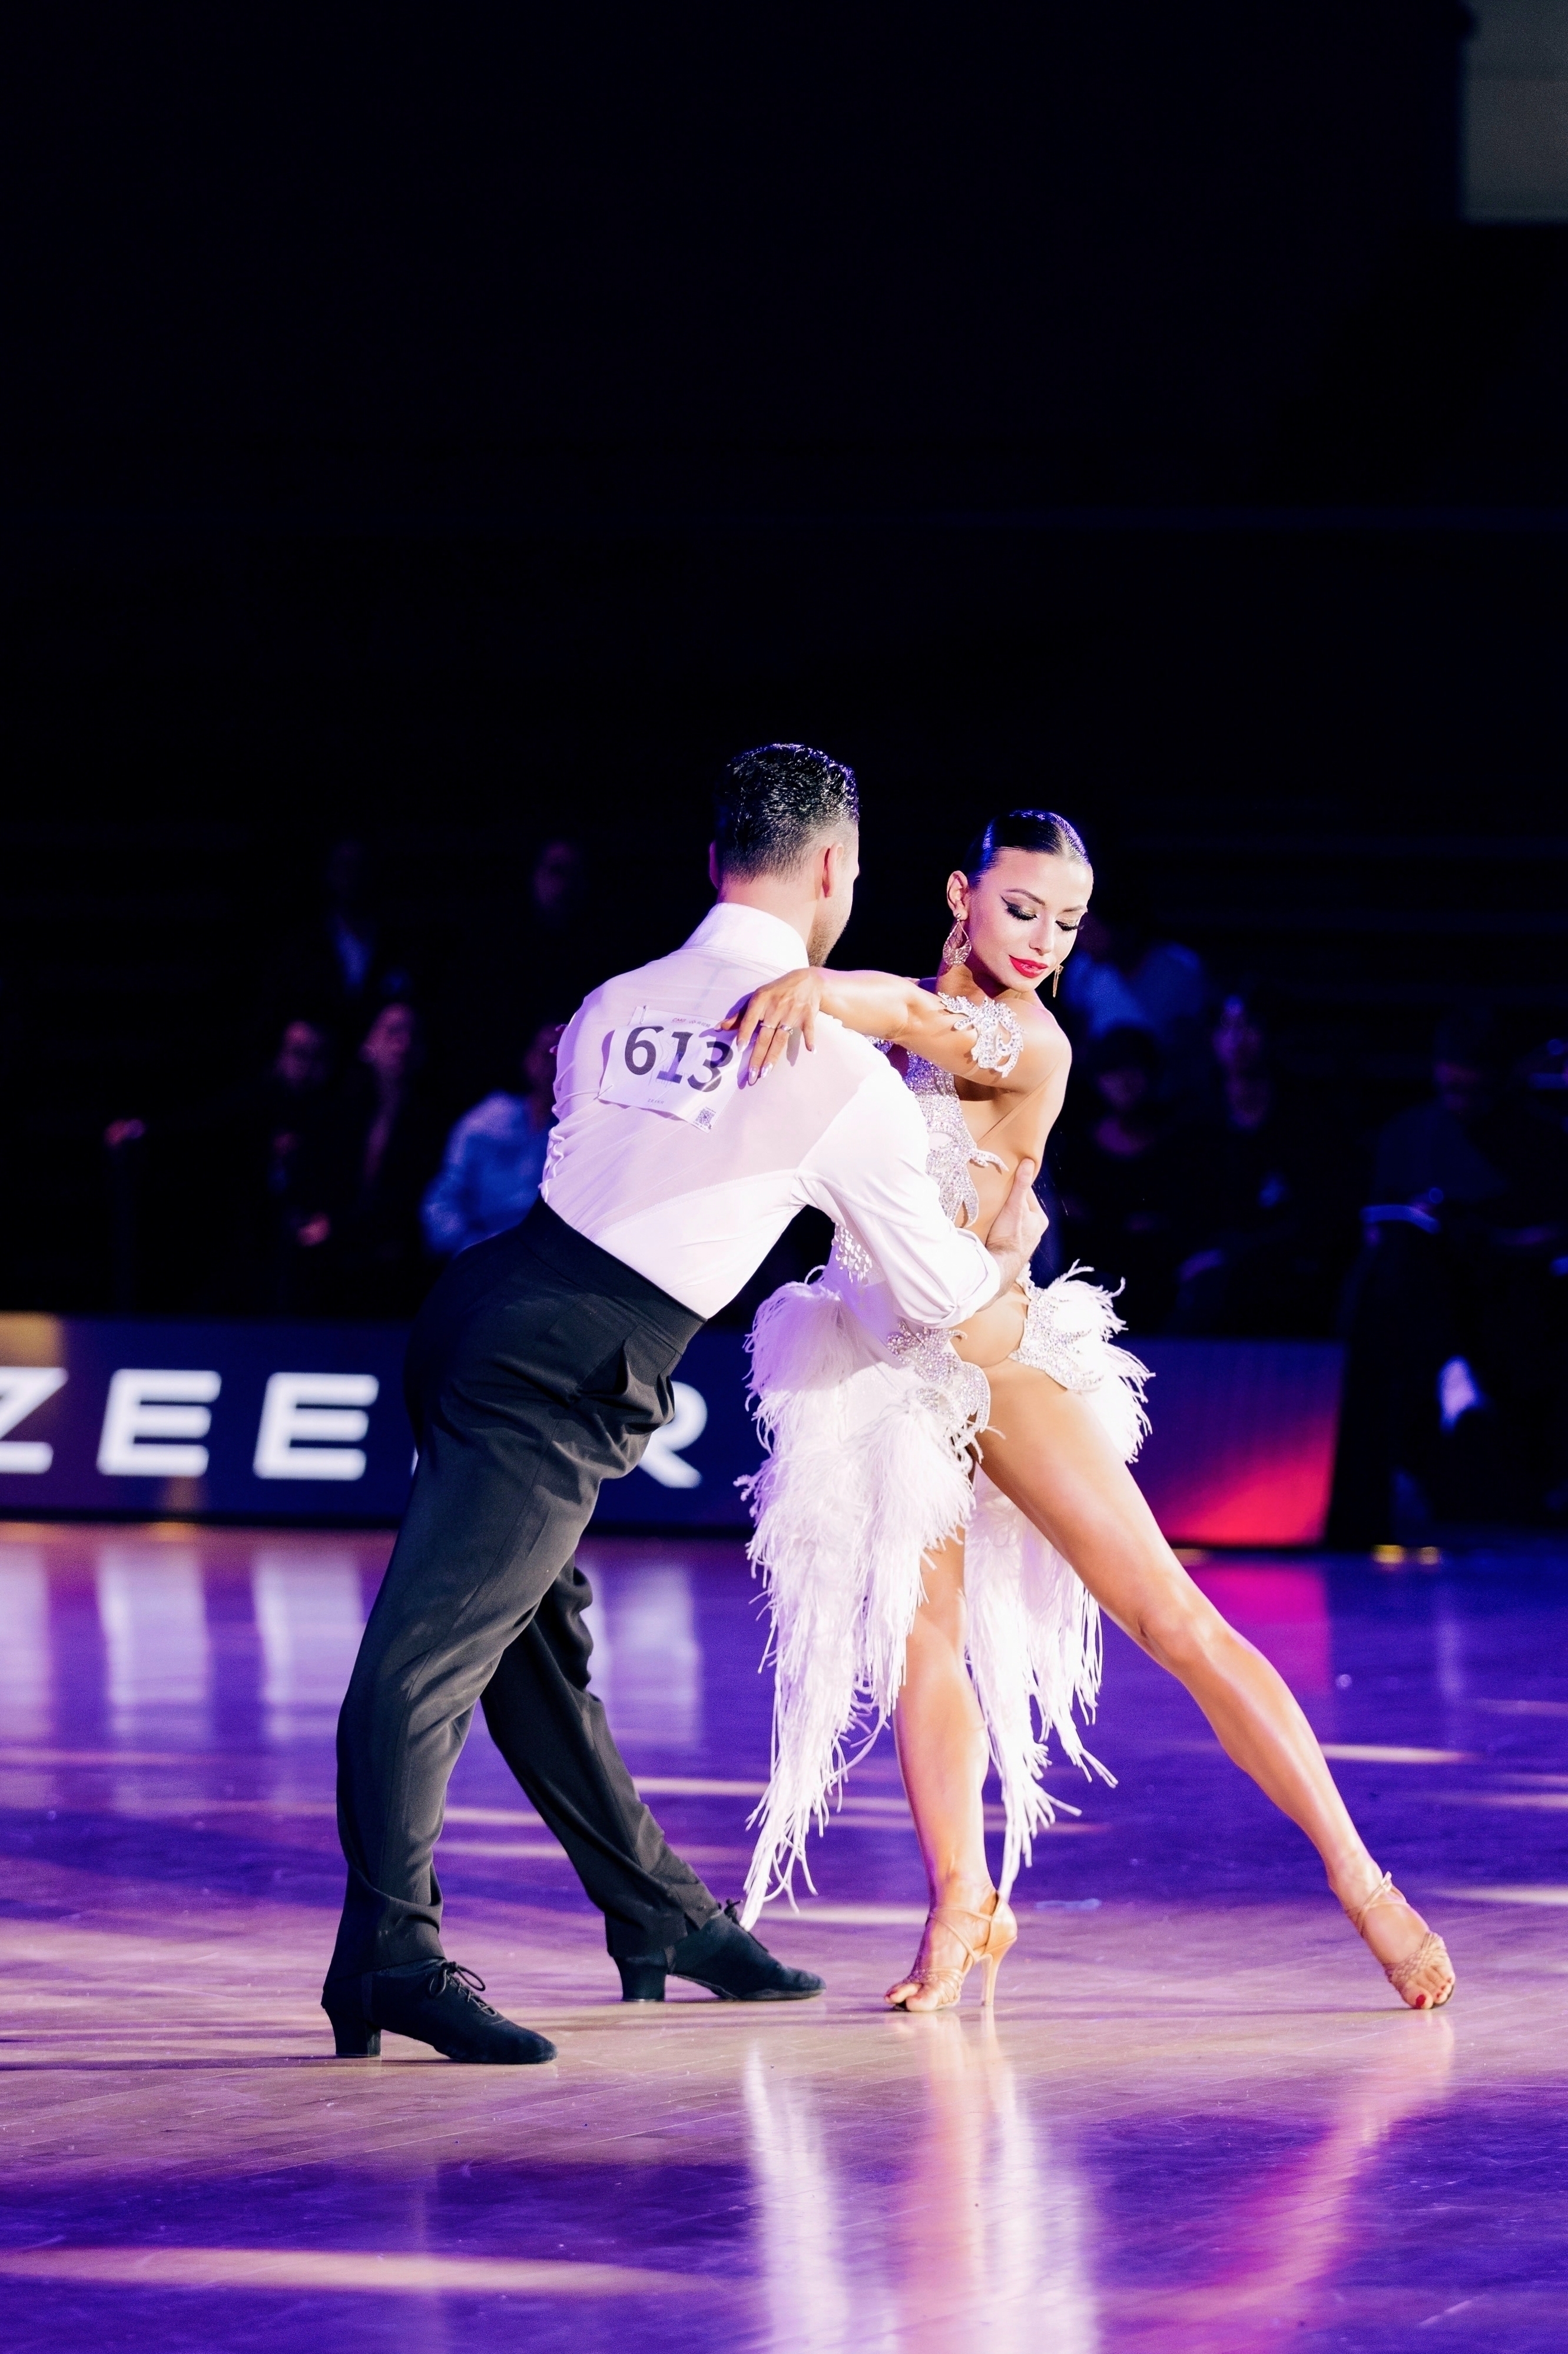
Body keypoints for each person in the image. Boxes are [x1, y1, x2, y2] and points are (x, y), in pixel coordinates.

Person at [323, 745, 1045, 2065]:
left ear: (715, 859)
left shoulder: (611, 1001)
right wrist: (1011, 1236)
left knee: (531, 1648)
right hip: (564, 1365)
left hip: (482, 1305)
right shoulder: (828, 1065)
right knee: (424, 1660)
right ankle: (385, 1953)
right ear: (834, 869)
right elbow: (939, 1293)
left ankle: (657, 1914)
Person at [728, 809, 1454, 2017]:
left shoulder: (1029, 1042)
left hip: (1000, 1365)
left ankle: (1360, 1878)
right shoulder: (868, 1016)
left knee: (1170, 1617)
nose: (1041, 939)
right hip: (880, 1375)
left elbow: (913, 1018)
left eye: (1065, 922)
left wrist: (798, 979)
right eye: (1020, 907)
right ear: (960, 893)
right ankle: (963, 1900)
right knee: (921, 1646)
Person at [1331, 1013, 1568, 1541]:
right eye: (1451, 1084)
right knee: (1402, 1263)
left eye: (1473, 1087)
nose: (1460, 1099)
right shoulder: (1408, 1133)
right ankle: (1447, 1377)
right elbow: (1377, 1221)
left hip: (1507, 1281)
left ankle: (1456, 1381)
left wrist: (1487, 1234)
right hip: (1422, 1281)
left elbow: (1551, 1230)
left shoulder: (1539, 1139)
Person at [1169, 984, 1357, 1337]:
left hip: (1286, 1274)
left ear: (1272, 1035)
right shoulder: (1197, 1127)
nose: (1238, 1040)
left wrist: (1238, 1256)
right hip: (1209, 1274)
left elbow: (1317, 1218)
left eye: (1250, 1026)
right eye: (1228, 1027)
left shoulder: (1309, 1123)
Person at [1052, 1024, 1191, 1331]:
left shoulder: (1176, 1144)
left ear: (1153, 1074)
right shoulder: (1079, 1150)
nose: (1124, 1083)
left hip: (1162, 1285)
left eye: (1134, 1070)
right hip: (1093, 1290)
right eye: (1112, 1072)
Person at [318, 999, 445, 1319]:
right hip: (335, 1261)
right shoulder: (338, 1113)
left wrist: (340, 1229)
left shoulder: (431, 1123)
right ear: (368, 1043)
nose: (402, 1045)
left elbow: (414, 1201)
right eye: (392, 1032)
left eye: (411, 1035)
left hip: (397, 1263)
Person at [421, 1019, 567, 1260]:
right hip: (479, 1252)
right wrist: (469, 1250)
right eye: (547, 1054)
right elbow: (443, 1198)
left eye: (563, 1056)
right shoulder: (486, 1120)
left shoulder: (579, 1131)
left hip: (543, 1262)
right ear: (528, 1058)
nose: (554, 1065)